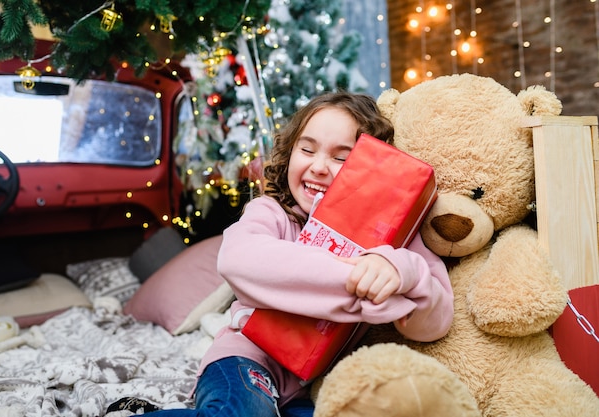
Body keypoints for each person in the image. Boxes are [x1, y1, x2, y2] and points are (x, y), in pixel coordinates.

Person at [138, 91, 454, 417]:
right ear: (290, 153)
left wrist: (398, 268)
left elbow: (435, 321)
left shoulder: (391, 240)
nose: (318, 166)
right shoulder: (271, 212)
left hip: (313, 384)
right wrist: (365, 287)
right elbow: (237, 260)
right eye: (307, 149)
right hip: (246, 357)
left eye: (342, 158)